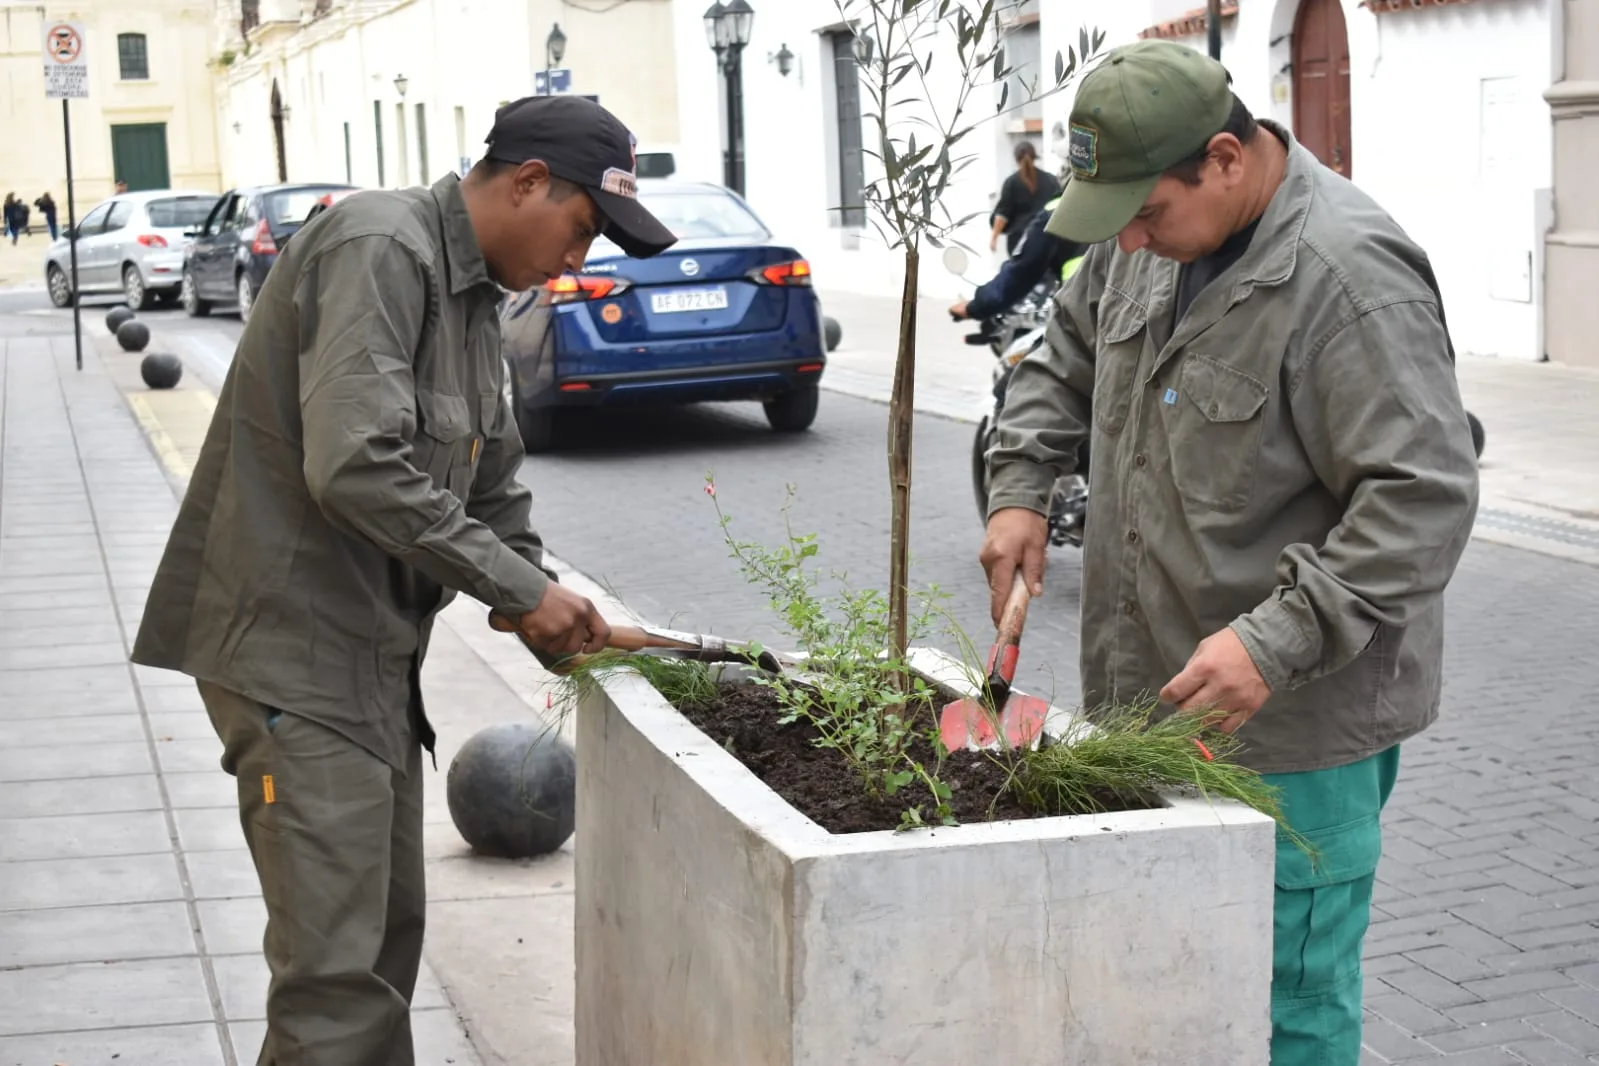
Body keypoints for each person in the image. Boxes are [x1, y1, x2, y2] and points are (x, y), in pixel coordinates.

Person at [131, 93, 677, 1066]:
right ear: (527, 182)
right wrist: (515, 589)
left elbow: (495, 486)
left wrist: (543, 594)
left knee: (384, 945)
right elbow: (354, 465)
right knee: (336, 985)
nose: (577, 261)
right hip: (294, 660)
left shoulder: (474, 302)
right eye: (583, 230)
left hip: (371, 664)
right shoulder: (383, 247)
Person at [978, 40, 1478, 1065]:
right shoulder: (1140, 234)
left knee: (1286, 995)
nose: (1136, 242)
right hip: (1147, 698)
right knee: (1169, 964)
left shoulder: (1348, 279)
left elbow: (1423, 496)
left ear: (1224, 158)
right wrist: (1022, 484)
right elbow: (1062, 356)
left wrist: (1275, 640)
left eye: (1150, 214)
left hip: (1295, 724)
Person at [951, 184, 1090, 322]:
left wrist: (977, 306)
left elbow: (1022, 271)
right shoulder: (1106, 199)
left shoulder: (1057, 209)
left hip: (1086, 302)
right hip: (1099, 298)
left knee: (1059, 339)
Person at [988, 141, 1061, 254]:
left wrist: (994, 239)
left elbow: (1002, 215)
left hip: (1019, 242)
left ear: (1016, 159)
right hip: (1047, 240)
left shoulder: (1011, 182)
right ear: (1034, 157)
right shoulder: (1051, 180)